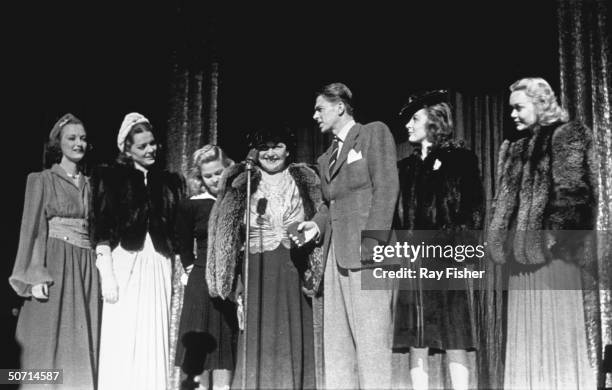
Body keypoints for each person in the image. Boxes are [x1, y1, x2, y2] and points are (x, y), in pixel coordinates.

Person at [487, 77, 597, 389]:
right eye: (511, 109)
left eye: (518, 107)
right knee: (526, 336)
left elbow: (578, 199)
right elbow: (504, 202)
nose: (512, 115)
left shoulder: (568, 136)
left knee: (556, 337)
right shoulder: (515, 149)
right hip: (520, 263)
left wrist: (550, 241)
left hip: (554, 261)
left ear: (540, 104)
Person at [295, 82, 399, 389]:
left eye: (319, 108)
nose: (315, 115)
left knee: (372, 342)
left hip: (369, 251)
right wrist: (315, 224)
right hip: (335, 257)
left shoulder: (372, 133)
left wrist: (374, 242)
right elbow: (330, 205)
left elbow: (387, 188)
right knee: (338, 344)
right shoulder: (326, 157)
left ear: (340, 106)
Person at [206, 126, 321, 389]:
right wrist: (229, 276)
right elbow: (223, 229)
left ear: (288, 149)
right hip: (258, 269)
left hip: (294, 266)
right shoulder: (241, 180)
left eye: (277, 146)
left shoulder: (304, 178)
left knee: (293, 333)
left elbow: (318, 216)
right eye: (264, 147)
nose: (270, 153)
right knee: (260, 335)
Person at [393, 91, 484, 390]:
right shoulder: (404, 168)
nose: (408, 125)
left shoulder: (460, 158)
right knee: (416, 337)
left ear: (434, 121)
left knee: (455, 335)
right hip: (413, 262)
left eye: (415, 118)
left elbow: (474, 210)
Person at [91, 112, 184, 390]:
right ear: (127, 149)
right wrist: (106, 272)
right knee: (122, 332)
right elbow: (102, 228)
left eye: (152, 143)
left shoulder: (168, 183)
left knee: (152, 333)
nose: (150, 150)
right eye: (142, 146)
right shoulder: (111, 178)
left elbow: (176, 230)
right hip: (124, 261)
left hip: (157, 262)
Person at [10, 113, 100, 390]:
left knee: (80, 341)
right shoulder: (41, 179)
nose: (78, 143)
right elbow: (33, 229)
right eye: (71, 138)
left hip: (86, 264)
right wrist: (35, 275)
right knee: (46, 340)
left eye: (83, 138)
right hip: (56, 261)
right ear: (57, 144)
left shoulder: (93, 184)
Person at [175, 145, 238, 390]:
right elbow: (182, 244)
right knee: (200, 347)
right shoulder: (191, 205)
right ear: (200, 178)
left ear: (228, 169)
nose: (214, 179)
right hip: (200, 280)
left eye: (219, 172)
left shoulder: (237, 200)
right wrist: (191, 270)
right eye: (207, 175)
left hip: (229, 280)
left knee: (224, 346)